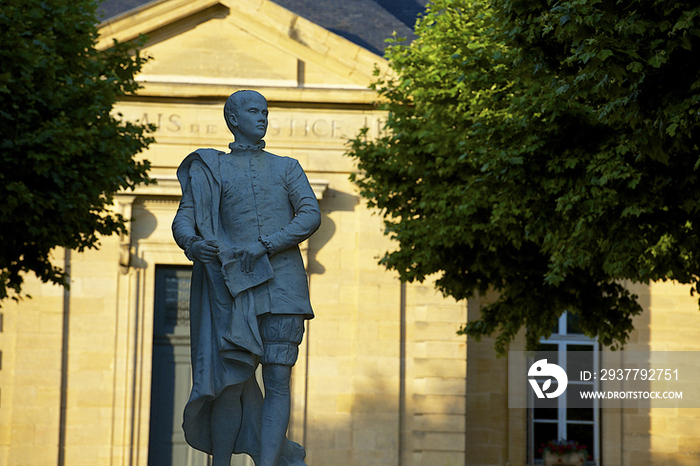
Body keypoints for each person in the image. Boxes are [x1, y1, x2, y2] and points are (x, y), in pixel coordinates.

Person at [172, 90, 320, 466]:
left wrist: (265, 244)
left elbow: (309, 215)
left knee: (277, 381)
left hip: (283, 287)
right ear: (233, 118)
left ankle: (268, 463)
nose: (263, 118)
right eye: (254, 111)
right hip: (232, 287)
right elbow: (184, 218)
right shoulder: (211, 168)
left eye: (266, 112)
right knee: (229, 386)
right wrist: (192, 244)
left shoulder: (287, 167)